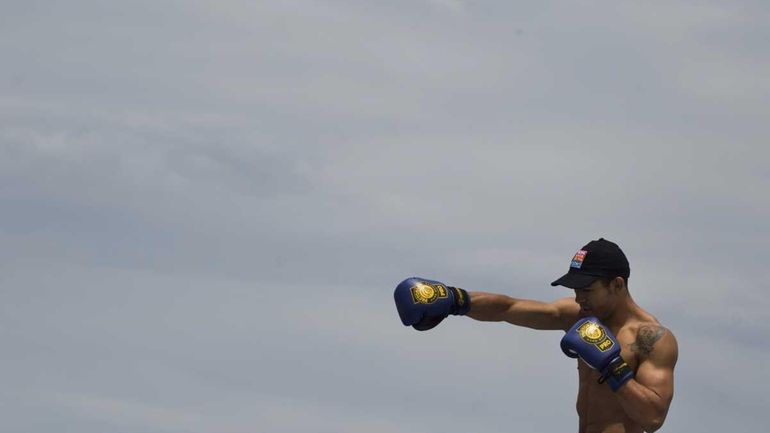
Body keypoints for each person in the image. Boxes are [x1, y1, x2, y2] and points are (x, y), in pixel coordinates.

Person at [394, 238, 678, 433]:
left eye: (587, 289)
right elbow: (509, 308)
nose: (578, 298)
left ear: (617, 285)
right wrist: (457, 300)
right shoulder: (579, 316)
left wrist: (612, 366)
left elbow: (653, 418)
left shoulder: (651, 338)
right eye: (576, 289)